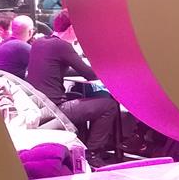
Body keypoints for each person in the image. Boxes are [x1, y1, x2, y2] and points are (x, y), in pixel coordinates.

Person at [25, 10, 121, 162]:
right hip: (55, 109)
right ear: (71, 28)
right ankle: (92, 153)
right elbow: (90, 74)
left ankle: (84, 147)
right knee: (109, 105)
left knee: (79, 96)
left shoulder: (39, 43)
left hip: (39, 106)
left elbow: (59, 66)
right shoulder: (62, 46)